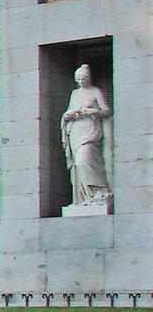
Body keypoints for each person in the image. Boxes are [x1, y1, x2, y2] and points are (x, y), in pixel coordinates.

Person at [61, 64, 112, 206]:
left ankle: (99, 190)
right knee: (78, 164)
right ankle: (84, 197)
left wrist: (93, 111)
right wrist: (69, 114)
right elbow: (69, 111)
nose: (81, 81)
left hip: (91, 130)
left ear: (88, 78)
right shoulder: (74, 93)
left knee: (84, 161)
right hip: (76, 131)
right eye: (78, 79)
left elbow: (106, 111)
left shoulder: (95, 91)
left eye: (83, 78)